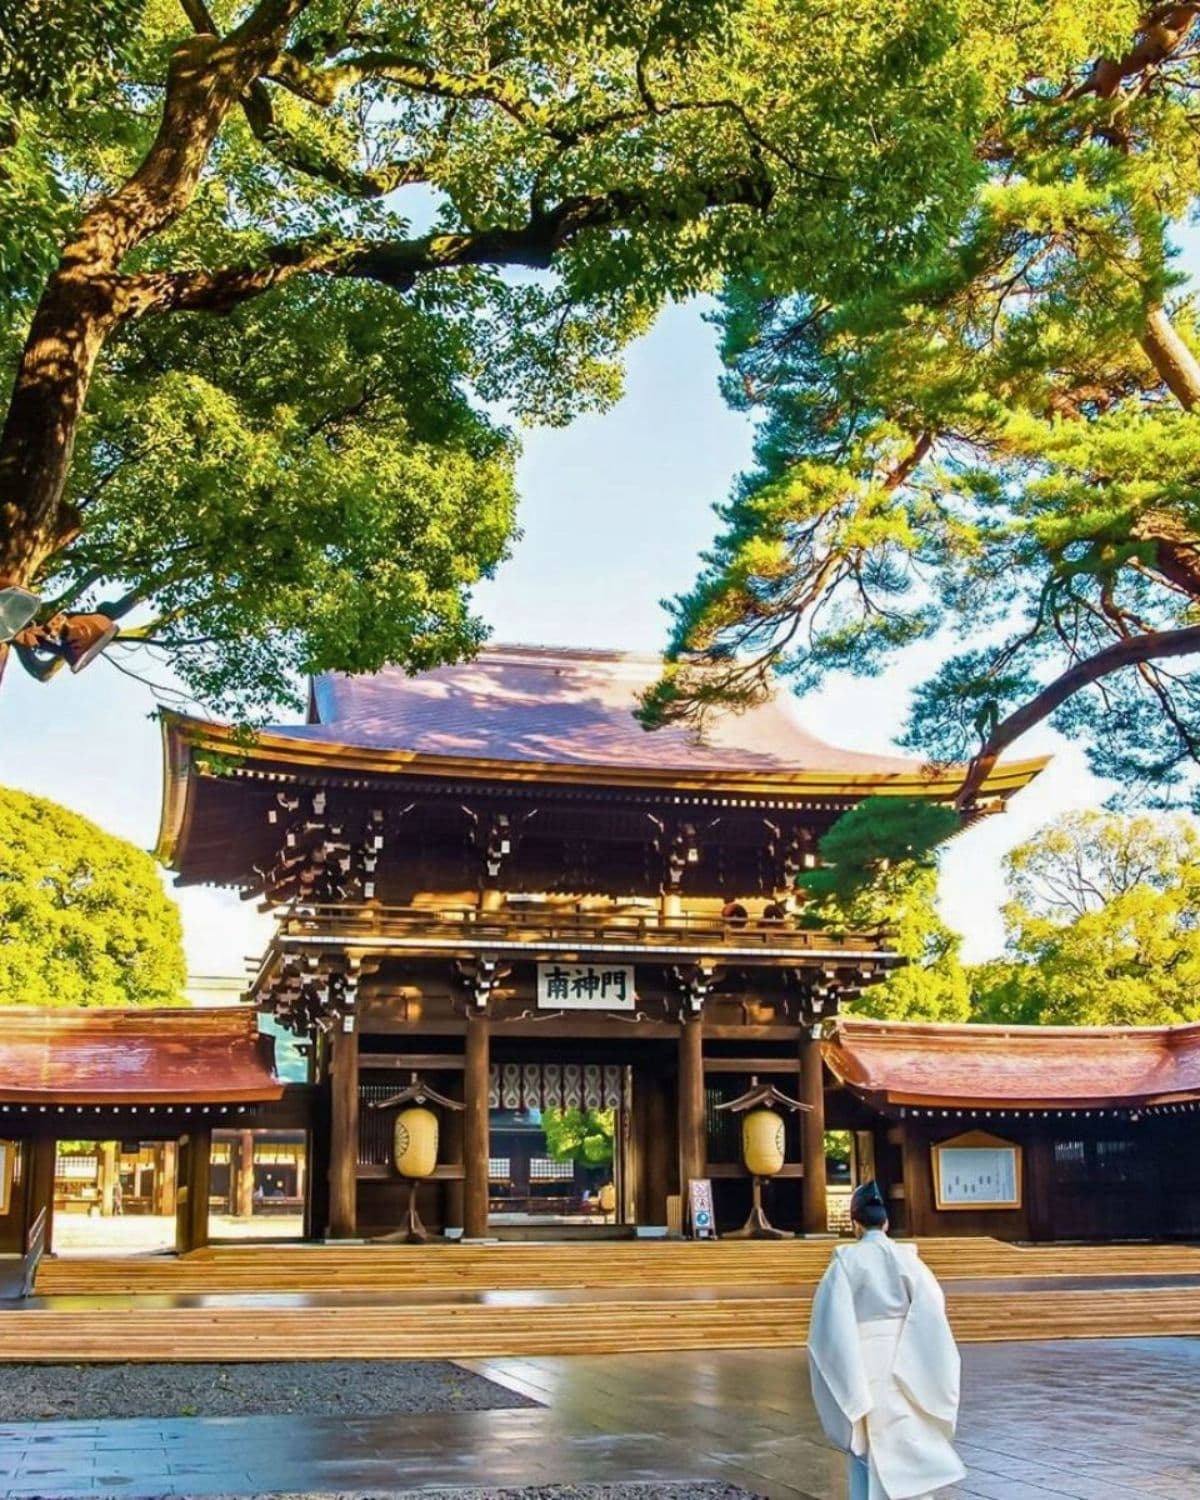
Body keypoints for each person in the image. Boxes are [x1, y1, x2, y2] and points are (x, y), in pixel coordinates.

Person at [808, 1181, 966, 1500]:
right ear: (887, 1223)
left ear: (855, 1224)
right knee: (908, 1436)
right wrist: (922, 1357)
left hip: (862, 1357)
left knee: (868, 1440)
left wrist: (843, 1363)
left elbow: (830, 1324)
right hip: (908, 1357)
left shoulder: (845, 1263)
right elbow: (932, 1311)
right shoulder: (909, 1261)